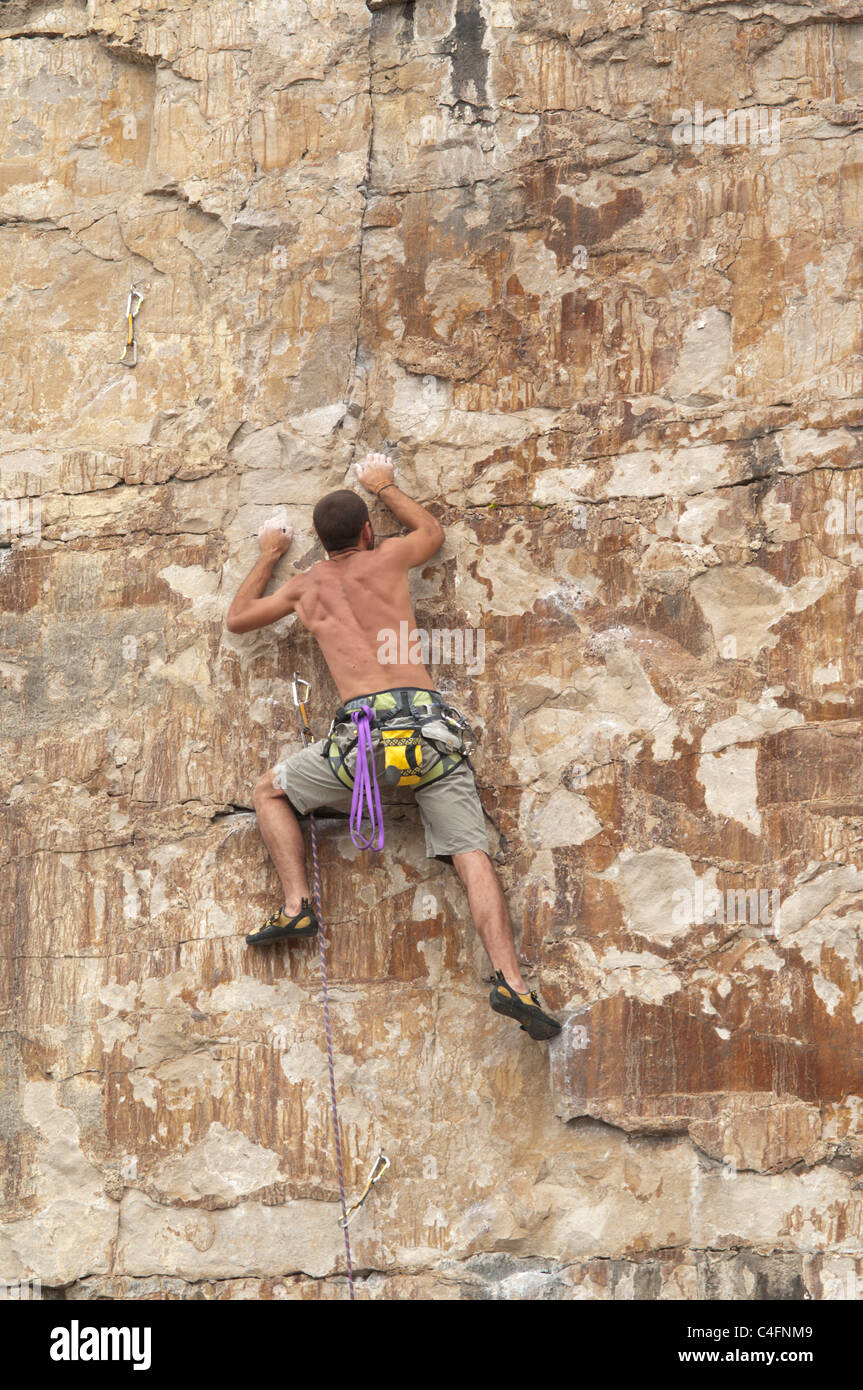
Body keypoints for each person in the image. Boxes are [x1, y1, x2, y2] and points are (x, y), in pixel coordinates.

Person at [225, 453, 561, 1041]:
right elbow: (431, 532)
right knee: (469, 852)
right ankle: (513, 980)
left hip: (361, 744)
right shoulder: (388, 558)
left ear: (322, 543)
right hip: (430, 736)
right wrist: (384, 484)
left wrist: (270, 553)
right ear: (366, 530)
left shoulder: (306, 589)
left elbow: (239, 619)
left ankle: (297, 903)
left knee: (270, 790)